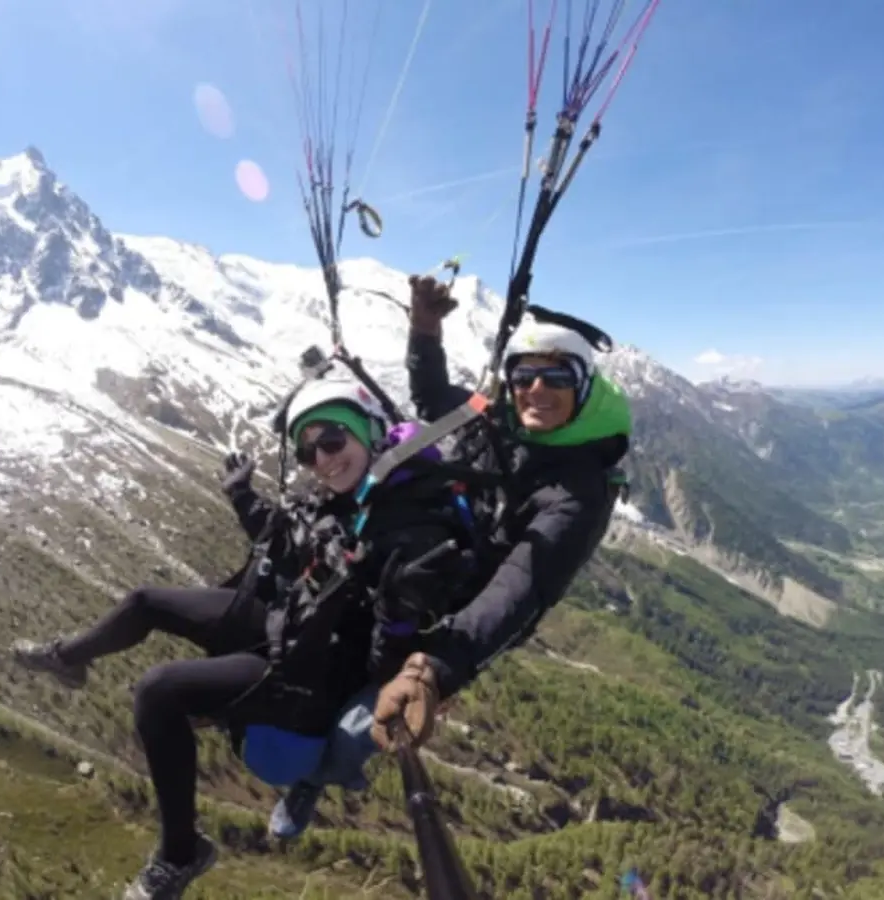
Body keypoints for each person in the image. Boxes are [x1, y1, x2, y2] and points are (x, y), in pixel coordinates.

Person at [10, 379, 475, 900]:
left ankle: (180, 855)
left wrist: (396, 610)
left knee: (158, 690)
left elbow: (380, 662)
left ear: (369, 430)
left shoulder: (408, 532)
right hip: (293, 624)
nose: (321, 460)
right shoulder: (351, 496)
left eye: (333, 441)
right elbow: (295, 543)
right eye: (308, 450)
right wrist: (242, 497)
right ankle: (67, 659)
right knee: (145, 601)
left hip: (315, 675)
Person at [267, 275, 632, 838]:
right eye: (524, 375)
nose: (536, 389)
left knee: (359, 724)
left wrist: (431, 668)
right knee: (330, 648)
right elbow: (436, 397)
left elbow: (521, 586)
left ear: (583, 385)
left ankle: (317, 778)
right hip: (428, 556)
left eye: (556, 376)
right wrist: (425, 328)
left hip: (467, 611)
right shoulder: (505, 419)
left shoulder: (578, 492)